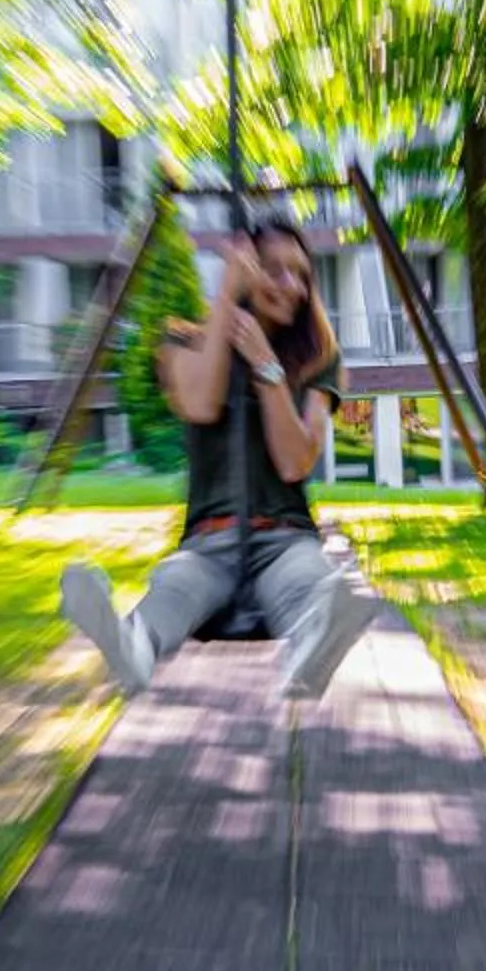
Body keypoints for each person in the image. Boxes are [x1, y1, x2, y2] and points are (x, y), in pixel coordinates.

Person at [59, 219, 379, 701]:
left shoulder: (319, 359)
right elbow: (200, 405)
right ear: (243, 268)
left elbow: (296, 463)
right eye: (274, 270)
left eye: (301, 275)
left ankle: (314, 645)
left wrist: (267, 367)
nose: (291, 286)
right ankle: (131, 649)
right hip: (211, 541)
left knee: (304, 580)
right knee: (175, 584)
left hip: (284, 535)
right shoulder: (181, 344)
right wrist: (228, 293)